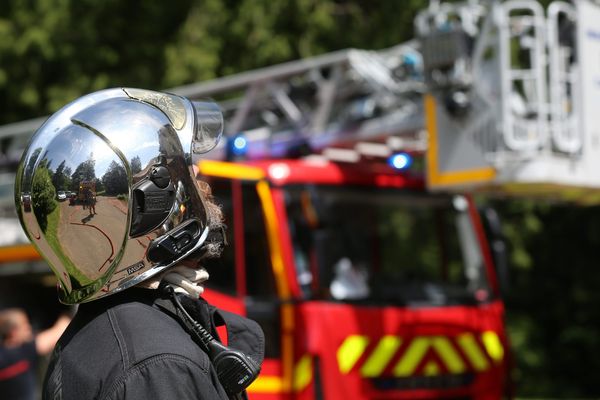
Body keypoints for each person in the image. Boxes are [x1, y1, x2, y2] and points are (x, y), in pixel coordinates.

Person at [14, 88, 264, 400]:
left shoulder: (106, 336)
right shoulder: (156, 367)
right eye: (184, 168)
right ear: (151, 206)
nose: (199, 174)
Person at [0, 308, 71, 400]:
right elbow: (57, 333)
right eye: (25, 325)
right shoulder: (24, 351)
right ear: (14, 332)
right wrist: (68, 312)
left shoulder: (3, 356)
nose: (29, 328)